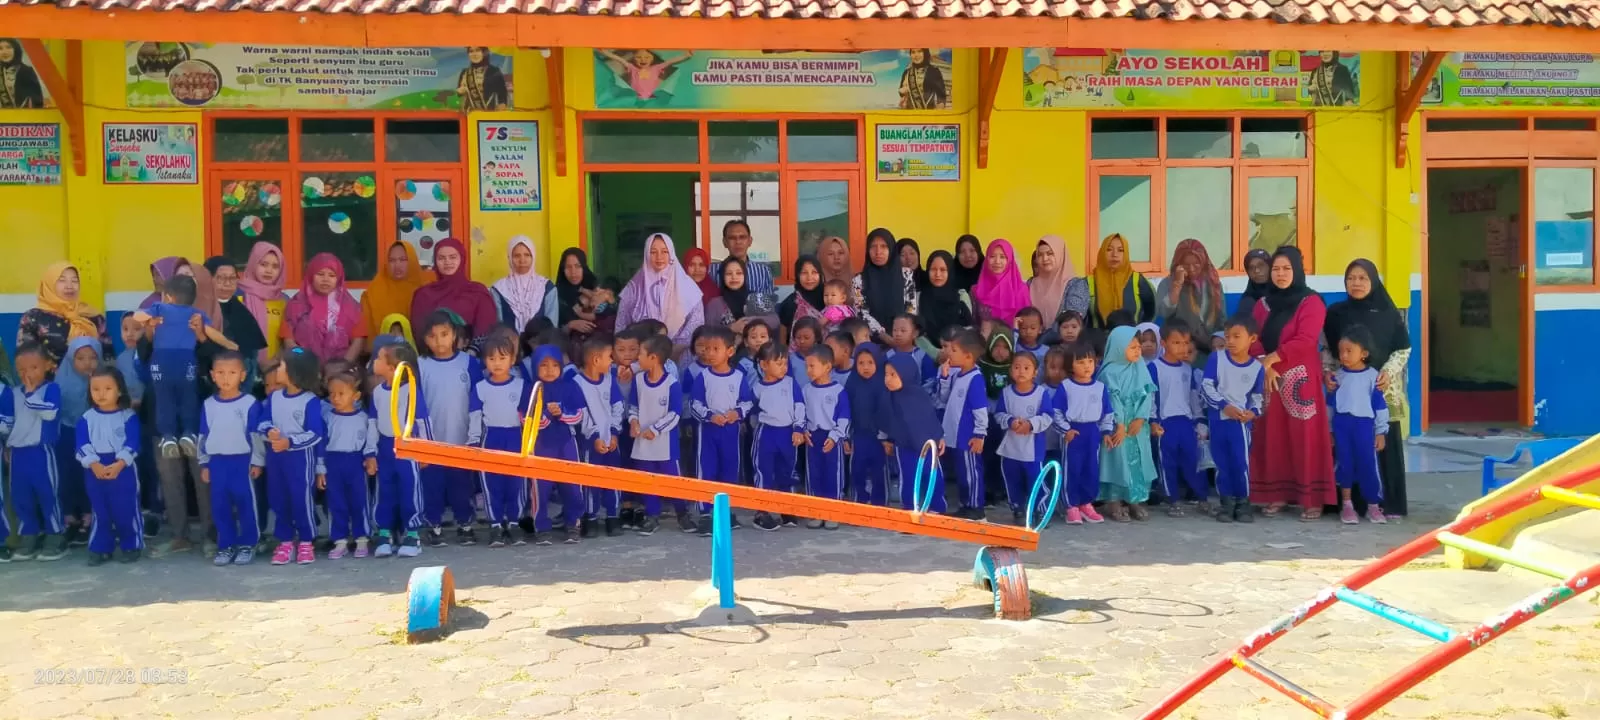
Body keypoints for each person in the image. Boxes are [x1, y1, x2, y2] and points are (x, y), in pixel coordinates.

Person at [1250, 246, 1336, 520]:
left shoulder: (1311, 302)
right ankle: (1276, 494)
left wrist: (1272, 359)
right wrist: (1265, 362)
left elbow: (1305, 340)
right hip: (1270, 378)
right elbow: (1253, 339)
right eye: (1276, 269)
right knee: (1272, 436)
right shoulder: (1262, 305)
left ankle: (1313, 498)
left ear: (1297, 270)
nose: (1280, 274)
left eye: (1287, 268)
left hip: (1300, 379)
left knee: (1305, 437)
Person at [1323, 258, 1411, 518]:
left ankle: (1387, 504)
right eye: (1351, 278)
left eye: (1362, 278)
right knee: (1348, 445)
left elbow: (1403, 348)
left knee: (1381, 442)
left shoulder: (1387, 312)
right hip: (1347, 387)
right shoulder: (1336, 313)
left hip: (1381, 387)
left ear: (1372, 281)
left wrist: (1388, 372)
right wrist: (1327, 371)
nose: (1356, 283)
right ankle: (1352, 504)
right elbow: (1327, 348)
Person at [132, 275, 236, 458]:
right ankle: (189, 433)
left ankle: (168, 437)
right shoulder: (196, 314)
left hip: (163, 362)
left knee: (164, 399)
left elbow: (137, 315)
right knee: (188, 398)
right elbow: (213, 334)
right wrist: (230, 344)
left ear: (168, 296)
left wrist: (149, 321)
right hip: (187, 361)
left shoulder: (159, 308)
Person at [416, 311, 482, 544]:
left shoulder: (469, 363)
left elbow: (477, 400)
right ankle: (433, 525)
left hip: (461, 437)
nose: (439, 341)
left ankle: (465, 524)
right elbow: (417, 402)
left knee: (461, 485)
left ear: (455, 335)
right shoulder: (420, 365)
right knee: (432, 485)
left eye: (444, 334)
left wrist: (474, 435)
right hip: (432, 441)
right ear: (425, 339)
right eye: (433, 336)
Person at [198, 350, 264, 566]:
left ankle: (248, 544)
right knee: (220, 506)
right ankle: (225, 545)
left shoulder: (250, 403)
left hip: (242, 461)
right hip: (217, 463)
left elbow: (256, 436)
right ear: (213, 375)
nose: (226, 378)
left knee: (245, 504)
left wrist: (257, 461)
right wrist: (204, 462)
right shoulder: (208, 404)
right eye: (221, 372)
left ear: (243, 375)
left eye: (232, 372)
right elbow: (203, 435)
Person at [687, 326, 753, 535]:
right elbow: (694, 403)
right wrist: (709, 416)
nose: (710, 353)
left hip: (730, 431)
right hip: (707, 431)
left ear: (730, 351)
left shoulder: (738, 377)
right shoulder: (703, 376)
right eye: (706, 349)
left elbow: (748, 402)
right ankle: (706, 514)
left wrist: (737, 413)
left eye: (716, 348)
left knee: (730, 469)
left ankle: (726, 513)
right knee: (706, 469)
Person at [261, 349, 324, 566]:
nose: (277, 370)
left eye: (281, 366)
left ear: (294, 372)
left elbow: (315, 433)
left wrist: (290, 442)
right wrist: (269, 431)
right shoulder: (274, 397)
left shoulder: (310, 401)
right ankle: (285, 541)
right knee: (279, 498)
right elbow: (261, 422)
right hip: (276, 459)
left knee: (301, 499)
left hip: (300, 461)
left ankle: (306, 541)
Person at [75, 366, 142, 567]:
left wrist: (119, 463)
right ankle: (100, 547)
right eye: (95, 389)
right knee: (100, 510)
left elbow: (133, 442)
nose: (101, 394)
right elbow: (81, 444)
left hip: (123, 469)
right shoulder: (86, 418)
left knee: (125, 508)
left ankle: (131, 544)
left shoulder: (128, 416)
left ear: (119, 390)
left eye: (107, 388)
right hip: (94, 469)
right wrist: (93, 464)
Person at [4, 347, 64, 560]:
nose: (27, 373)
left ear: (48, 366)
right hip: (18, 455)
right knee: (21, 497)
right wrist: (7, 445)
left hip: (41, 452)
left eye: (34, 367)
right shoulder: (12, 393)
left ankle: (55, 535)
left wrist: (30, 395)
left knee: (48, 494)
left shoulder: (52, 389)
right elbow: (8, 423)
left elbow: (49, 414)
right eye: (21, 369)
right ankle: (28, 534)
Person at [1203, 316, 1265, 524]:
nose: (1230, 341)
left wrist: (1253, 412)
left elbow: (1257, 397)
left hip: (1240, 424)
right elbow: (1207, 386)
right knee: (1221, 462)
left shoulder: (1257, 368)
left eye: (1237, 336)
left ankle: (1243, 502)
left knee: (1240, 463)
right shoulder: (1216, 358)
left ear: (1252, 338)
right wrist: (1224, 406)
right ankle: (1226, 503)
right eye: (1228, 336)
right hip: (1219, 420)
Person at [369, 343, 427, 558]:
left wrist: (425, 449)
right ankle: (385, 533)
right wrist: (370, 452)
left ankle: (412, 533)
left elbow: (422, 420)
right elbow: (372, 422)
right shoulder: (376, 392)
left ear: (393, 367)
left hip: (408, 446)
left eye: (379, 358)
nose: (374, 361)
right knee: (385, 489)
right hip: (385, 446)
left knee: (409, 488)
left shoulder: (411, 390)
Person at [1329, 326, 1391, 525]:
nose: (1344, 355)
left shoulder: (1373, 377)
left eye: (1349, 351)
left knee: (1368, 464)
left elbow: (1380, 406)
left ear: (1364, 353)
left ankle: (1373, 505)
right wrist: (1330, 430)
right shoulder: (1337, 377)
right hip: (1342, 425)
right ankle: (1347, 505)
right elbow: (1330, 405)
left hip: (1365, 426)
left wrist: (1381, 432)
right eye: (1341, 351)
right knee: (1344, 463)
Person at [1096, 326, 1157, 522]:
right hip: (1117, 425)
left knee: (1138, 461)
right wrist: (1120, 425)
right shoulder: (1108, 372)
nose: (1137, 351)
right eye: (1131, 347)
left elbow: (1148, 394)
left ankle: (1134, 500)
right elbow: (1111, 400)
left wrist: (1141, 418)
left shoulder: (1140, 367)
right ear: (1117, 347)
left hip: (1137, 426)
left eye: (1138, 347)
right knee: (1117, 461)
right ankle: (1113, 502)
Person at [530, 344, 590, 544]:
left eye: (555, 365)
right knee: (541, 488)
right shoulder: (532, 388)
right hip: (540, 445)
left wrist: (562, 413)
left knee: (572, 484)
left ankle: (573, 523)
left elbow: (580, 415)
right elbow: (527, 420)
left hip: (566, 443)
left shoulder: (570, 385)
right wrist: (547, 414)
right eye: (543, 365)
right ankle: (541, 527)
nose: (549, 370)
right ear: (535, 367)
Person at [627, 334, 686, 536]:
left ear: (653, 358)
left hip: (665, 444)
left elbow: (675, 413)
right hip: (642, 443)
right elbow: (633, 406)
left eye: (640, 354)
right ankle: (652, 515)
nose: (636, 358)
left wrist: (656, 429)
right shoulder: (638, 380)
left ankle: (682, 513)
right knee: (647, 480)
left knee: (673, 480)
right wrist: (633, 422)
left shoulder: (671, 384)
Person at [616, 233, 705, 359]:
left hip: (678, 356)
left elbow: (696, 324)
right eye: (653, 252)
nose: (659, 257)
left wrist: (672, 350)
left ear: (671, 254)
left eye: (664, 251)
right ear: (646, 254)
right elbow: (621, 325)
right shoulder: (634, 288)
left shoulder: (687, 287)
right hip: (640, 357)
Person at [748, 341, 806, 531]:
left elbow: (799, 405)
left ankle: (786, 508)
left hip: (788, 433)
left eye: (785, 363)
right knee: (763, 470)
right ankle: (761, 512)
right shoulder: (758, 388)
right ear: (764, 365)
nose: (784, 367)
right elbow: (751, 410)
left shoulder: (790, 383)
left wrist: (798, 428)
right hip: (766, 433)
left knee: (787, 470)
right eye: (778, 363)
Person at [1151, 322, 1206, 517]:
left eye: (1185, 343)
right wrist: (1153, 421)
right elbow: (1151, 396)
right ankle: (1172, 500)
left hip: (1186, 422)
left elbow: (1193, 397)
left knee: (1193, 461)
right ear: (1164, 343)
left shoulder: (1187, 369)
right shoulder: (1154, 368)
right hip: (1165, 424)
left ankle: (1202, 498)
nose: (1182, 347)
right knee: (1168, 463)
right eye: (1176, 342)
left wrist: (1200, 421)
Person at [572, 337, 626, 537]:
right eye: (609, 357)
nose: (612, 361)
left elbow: (617, 406)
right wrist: (594, 436)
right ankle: (591, 517)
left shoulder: (610, 379)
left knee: (613, 478)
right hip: (589, 443)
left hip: (611, 442)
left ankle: (613, 516)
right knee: (590, 480)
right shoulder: (577, 383)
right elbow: (581, 414)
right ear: (596, 360)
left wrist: (613, 433)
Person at [1054, 340, 1112, 525]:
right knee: (1072, 469)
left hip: (1092, 432)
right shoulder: (1066, 386)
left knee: (1091, 469)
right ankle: (1071, 506)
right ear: (1070, 365)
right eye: (1080, 362)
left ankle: (1086, 504)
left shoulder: (1100, 387)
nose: (1087, 366)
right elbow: (1056, 413)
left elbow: (1107, 412)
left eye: (1090, 361)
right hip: (1073, 433)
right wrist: (1066, 430)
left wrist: (1106, 432)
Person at [320, 369, 375, 559]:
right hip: (333, 462)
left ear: (356, 395)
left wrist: (369, 458)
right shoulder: (327, 418)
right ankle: (340, 540)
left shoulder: (364, 418)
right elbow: (322, 443)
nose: (335, 398)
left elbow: (370, 440)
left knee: (359, 501)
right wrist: (321, 468)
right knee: (336, 502)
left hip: (355, 462)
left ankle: (362, 538)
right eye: (332, 394)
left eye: (341, 393)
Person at [882, 352, 946, 513]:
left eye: (893, 374)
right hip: (904, 446)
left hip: (928, 445)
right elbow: (888, 421)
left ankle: (937, 507)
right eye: (886, 374)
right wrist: (887, 439)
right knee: (909, 478)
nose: (888, 379)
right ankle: (910, 509)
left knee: (932, 476)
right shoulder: (890, 397)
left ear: (906, 374)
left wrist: (940, 437)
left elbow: (931, 419)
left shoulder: (919, 396)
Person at [55, 336, 101, 547]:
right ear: (70, 360)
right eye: (81, 358)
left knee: (88, 474)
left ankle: (88, 516)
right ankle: (69, 519)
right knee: (68, 475)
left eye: (93, 358)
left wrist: (94, 384)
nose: (87, 363)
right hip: (66, 432)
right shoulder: (60, 381)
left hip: (93, 433)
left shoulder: (102, 383)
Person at [995, 352, 1051, 526]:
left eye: (1026, 368)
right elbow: (998, 414)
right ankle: (1018, 508)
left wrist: (1031, 424)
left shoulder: (1042, 393)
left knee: (1036, 480)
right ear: (1011, 371)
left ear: (1035, 372)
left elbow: (1048, 416)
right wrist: (1010, 421)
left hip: (1033, 450)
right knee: (1012, 479)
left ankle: (1040, 510)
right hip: (1011, 448)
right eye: (1017, 367)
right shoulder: (1005, 393)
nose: (1021, 371)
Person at [410, 237, 499, 347]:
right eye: (441, 258)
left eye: (453, 257)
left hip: (471, 359)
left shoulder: (478, 292)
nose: (447, 262)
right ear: (435, 262)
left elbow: (486, 330)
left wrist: (470, 354)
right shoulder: (423, 295)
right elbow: (420, 333)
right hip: (433, 358)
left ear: (462, 259)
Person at [19, 262, 111, 366]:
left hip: (92, 381)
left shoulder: (93, 317)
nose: (69, 286)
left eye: (74, 281)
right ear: (49, 284)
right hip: (49, 381)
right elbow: (25, 360)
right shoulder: (33, 318)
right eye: (62, 280)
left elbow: (108, 358)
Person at [939, 329, 989, 520]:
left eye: (953, 349)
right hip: (954, 435)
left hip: (968, 437)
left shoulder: (975, 378)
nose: (948, 353)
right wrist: (944, 379)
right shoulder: (958, 374)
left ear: (968, 356)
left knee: (971, 473)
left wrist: (979, 435)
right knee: (962, 473)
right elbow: (944, 399)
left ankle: (976, 508)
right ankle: (965, 505)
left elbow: (980, 410)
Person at [281, 253, 365, 365]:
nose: (325, 279)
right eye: (320, 274)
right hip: (304, 367)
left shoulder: (351, 306)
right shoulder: (296, 304)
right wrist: (302, 358)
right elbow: (288, 341)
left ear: (339, 278)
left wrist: (343, 365)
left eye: (331, 275)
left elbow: (358, 341)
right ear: (311, 275)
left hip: (340, 369)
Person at [1154, 240, 1227, 366]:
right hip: (1183, 350)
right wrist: (1177, 285)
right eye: (1186, 264)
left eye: (1197, 263)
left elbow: (1222, 318)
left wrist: (1217, 339)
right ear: (1178, 264)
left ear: (1203, 262)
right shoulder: (1168, 283)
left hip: (1210, 349)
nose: (1192, 269)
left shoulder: (1213, 284)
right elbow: (1164, 313)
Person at [802, 344, 850, 525]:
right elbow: (801, 412)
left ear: (827, 367)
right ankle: (815, 512)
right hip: (813, 438)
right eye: (807, 366)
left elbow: (844, 416)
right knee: (813, 474)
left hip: (831, 439)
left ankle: (833, 513)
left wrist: (836, 436)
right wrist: (804, 430)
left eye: (812, 366)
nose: (808, 370)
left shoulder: (838, 391)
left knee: (833, 475)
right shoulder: (806, 390)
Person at [202, 257, 270, 375]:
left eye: (232, 278)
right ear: (208, 279)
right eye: (221, 278)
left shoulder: (241, 311)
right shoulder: (201, 307)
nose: (227, 283)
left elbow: (251, 353)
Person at [1073, 234, 1156, 329]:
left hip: (1132, 341)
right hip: (1098, 342)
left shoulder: (1138, 281)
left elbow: (1152, 312)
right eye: (1109, 249)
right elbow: (1076, 317)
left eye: (1120, 250)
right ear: (1102, 252)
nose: (1114, 254)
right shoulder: (1087, 283)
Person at [845, 343, 889, 507]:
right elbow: (846, 411)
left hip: (879, 437)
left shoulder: (884, 384)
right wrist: (847, 437)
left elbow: (887, 413)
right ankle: (859, 503)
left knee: (879, 471)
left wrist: (887, 437)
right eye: (861, 363)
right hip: (859, 435)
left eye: (870, 362)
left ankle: (880, 505)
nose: (865, 367)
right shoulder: (852, 383)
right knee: (857, 470)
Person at [854, 228, 915, 342]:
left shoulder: (906, 275)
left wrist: (901, 334)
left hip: (903, 339)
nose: (878, 252)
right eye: (873, 247)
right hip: (872, 340)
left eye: (883, 246)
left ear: (891, 249)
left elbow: (911, 308)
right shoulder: (859, 280)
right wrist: (883, 335)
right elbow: (862, 312)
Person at [492, 235, 557, 333]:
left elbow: (552, 326)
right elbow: (499, 326)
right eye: (517, 256)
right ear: (509, 257)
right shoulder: (499, 289)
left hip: (541, 345)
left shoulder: (546, 287)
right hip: (508, 345)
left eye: (527, 255)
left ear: (533, 256)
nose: (522, 260)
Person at [362, 242, 424, 340]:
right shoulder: (373, 292)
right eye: (392, 260)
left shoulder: (425, 289)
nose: (397, 265)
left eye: (403, 260)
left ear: (412, 261)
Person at [237, 242, 291, 357]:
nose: (269, 271)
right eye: (263, 264)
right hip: (242, 367)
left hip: (274, 367)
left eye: (275, 266)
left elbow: (287, 338)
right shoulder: (238, 296)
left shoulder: (284, 301)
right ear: (253, 264)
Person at [917, 251, 974, 356]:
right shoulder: (919, 297)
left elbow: (968, 330)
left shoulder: (961, 296)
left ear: (950, 271)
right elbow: (916, 333)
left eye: (943, 270)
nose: (937, 274)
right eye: (933, 269)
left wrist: (951, 353)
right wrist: (937, 354)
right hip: (926, 356)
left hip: (957, 357)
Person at [704, 256, 778, 336]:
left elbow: (775, 321)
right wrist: (731, 328)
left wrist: (749, 322)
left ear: (745, 275)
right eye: (729, 273)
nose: (734, 277)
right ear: (722, 277)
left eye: (739, 273)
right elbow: (708, 333)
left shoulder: (757, 297)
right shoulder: (714, 303)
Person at [972, 239, 1032, 326]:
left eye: (1002, 257)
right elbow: (974, 323)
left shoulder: (1021, 289)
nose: (997, 261)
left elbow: (1027, 323)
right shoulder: (976, 291)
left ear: (1010, 260)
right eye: (992, 256)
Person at [1030, 235, 1086, 325]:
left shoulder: (1076, 285)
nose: (1045, 258)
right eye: (1040, 255)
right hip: (1033, 338)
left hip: (1064, 338)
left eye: (1050, 253)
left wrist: (1046, 337)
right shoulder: (1030, 284)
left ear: (1060, 254)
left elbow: (1072, 320)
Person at [712, 219, 776, 296]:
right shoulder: (712, 272)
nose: (738, 242)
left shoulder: (763, 272)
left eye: (742, 237)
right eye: (732, 238)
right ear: (724, 242)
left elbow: (768, 305)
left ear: (750, 241)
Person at [778, 255, 826, 335]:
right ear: (797, 275)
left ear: (820, 274)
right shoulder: (792, 302)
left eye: (814, 272)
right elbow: (783, 329)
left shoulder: (829, 297)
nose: (809, 278)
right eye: (804, 273)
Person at [457, 46, 509, 111]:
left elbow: (502, 92)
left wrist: (502, 103)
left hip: (487, 114)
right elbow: (459, 93)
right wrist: (460, 91)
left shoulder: (494, 71)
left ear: (484, 52)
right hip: (468, 114)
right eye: (471, 51)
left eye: (478, 50)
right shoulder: (464, 72)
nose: (474, 54)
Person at [0, 38, 46, 109]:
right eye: (0, 49)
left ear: (16, 50)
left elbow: (37, 100)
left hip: (23, 117)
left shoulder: (26, 71)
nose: (4, 52)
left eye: (8, 47)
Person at [1235, 249, 1273, 319]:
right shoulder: (1248, 300)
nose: (1257, 271)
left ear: (1270, 267)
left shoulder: (1284, 293)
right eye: (1251, 268)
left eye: (1261, 265)